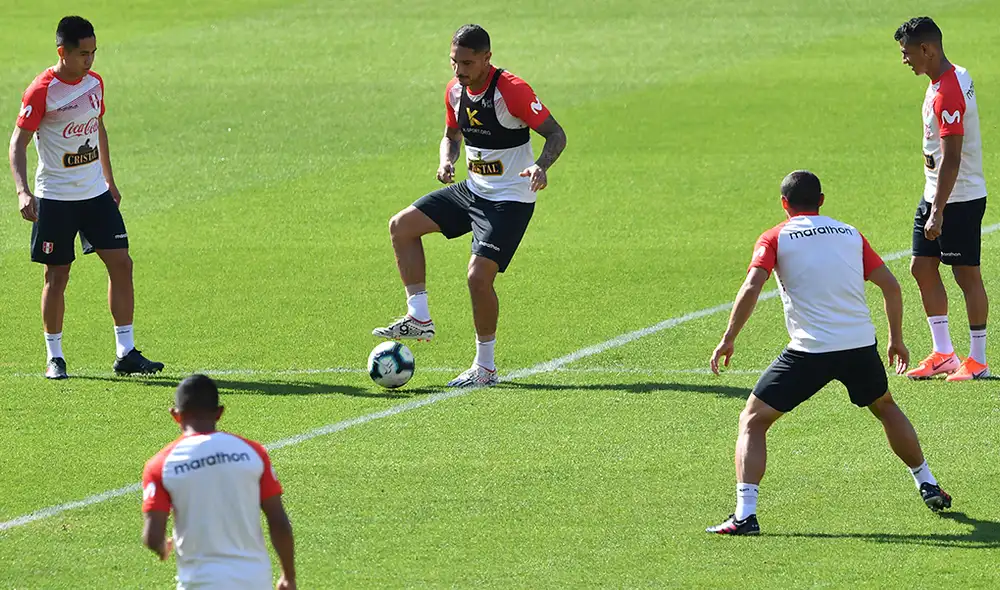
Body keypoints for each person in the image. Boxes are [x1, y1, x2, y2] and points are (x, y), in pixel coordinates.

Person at [707, 171, 951, 536]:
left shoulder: (775, 237)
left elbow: (752, 285)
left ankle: (745, 514)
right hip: (859, 347)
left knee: (754, 420)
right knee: (885, 407)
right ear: (822, 200)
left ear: (784, 203)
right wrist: (895, 339)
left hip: (809, 352)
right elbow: (891, 286)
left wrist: (728, 338)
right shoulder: (850, 233)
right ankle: (927, 481)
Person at [372, 24, 567, 387]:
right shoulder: (455, 91)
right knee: (401, 226)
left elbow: (557, 134)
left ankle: (486, 367)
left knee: (478, 276)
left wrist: (541, 166)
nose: (458, 70)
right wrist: (447, 160)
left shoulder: (512, 91)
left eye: (466, 62)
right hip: (473, 190)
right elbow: (451, 135)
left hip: (509, 198)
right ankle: (419, 318)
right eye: (453, 62)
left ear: (486, 59)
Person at [8, 15, 163, 380]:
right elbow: (18, 143)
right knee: (57, 276)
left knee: (122, 264)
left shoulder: (94, 83)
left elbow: (98, 127)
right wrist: (21, 191)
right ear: (63, 52)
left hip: (95, 195)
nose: (90, 61)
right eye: (83, 54)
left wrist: (110, 180)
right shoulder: (41, 91)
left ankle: (125, 351)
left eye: (94, 53)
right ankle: (55, 356)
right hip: (56, 199)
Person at [894, 17, 989, 381]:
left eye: (907, 53)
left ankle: (977, 360)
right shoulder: (949, 76)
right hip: (935, 191)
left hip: (957, 198)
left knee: (967, 276)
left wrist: (938, 212)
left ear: (927, 50)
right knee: (921, 267)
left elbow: (952, 156)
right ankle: (944, 353)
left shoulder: (948, 90)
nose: (904, 60)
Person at [141, 374, 296, 590]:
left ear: (175, 415)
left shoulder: (160, 465)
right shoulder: (252, 452)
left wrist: (161, 546)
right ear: (220, 412)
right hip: (254, 580)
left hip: (199, 583)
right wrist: (288, 576)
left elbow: (152, 536)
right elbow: (278, 522)